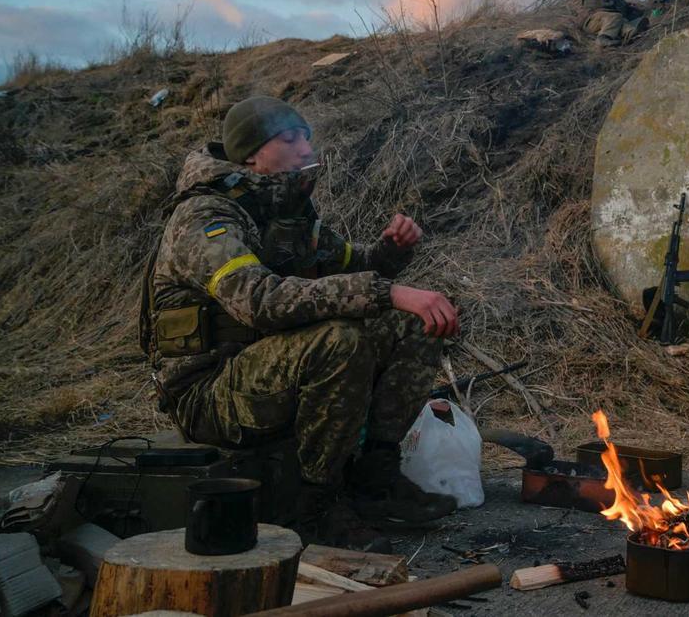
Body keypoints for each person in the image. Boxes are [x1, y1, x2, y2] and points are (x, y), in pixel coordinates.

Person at [140, 96, 459, 542]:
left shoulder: (288, 213)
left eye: (306, 137)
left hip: (264, 368)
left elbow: (352, 269)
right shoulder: (206, 216)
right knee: (340, 340)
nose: (306, 148)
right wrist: (388, 291)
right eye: (289, 138)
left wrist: (391, 252)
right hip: (207, 390)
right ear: (251, 154)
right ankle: (313, 508)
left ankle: (375, 478)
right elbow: (259, 300)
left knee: (410, 325)